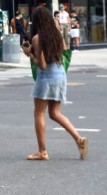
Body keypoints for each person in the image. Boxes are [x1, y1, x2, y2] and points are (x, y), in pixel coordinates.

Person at [20, 6, 87, 161]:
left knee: (39, 113)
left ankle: (42, 151)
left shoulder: (37, 38)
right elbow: (62, 52)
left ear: (36, 21)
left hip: (46, 78)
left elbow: (41, 65)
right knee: (55, 113)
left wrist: (30, 54)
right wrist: (33, 50)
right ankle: (79, 139)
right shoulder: (57, 35)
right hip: (60, 75)